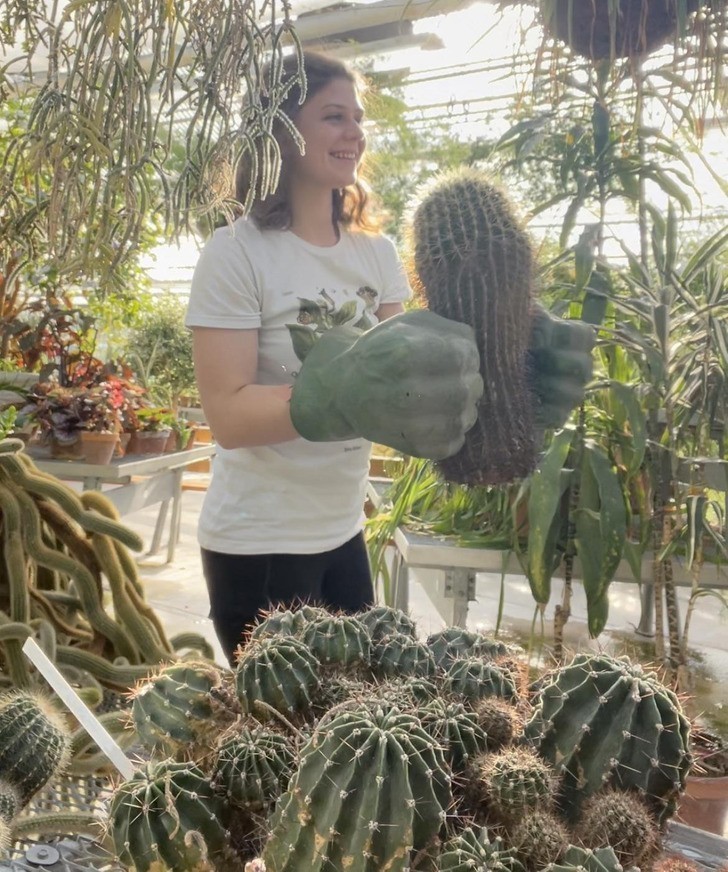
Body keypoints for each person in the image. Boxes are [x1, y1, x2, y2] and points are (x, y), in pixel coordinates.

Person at [185, 51, 592, 665]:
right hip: (258, 544)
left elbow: (416, 384)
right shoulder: (236, 253)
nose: (354, 133)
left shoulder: (374, 254)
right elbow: (230, 417)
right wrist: (341, 390)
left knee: (354, 740)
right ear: (281, 132)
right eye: (332, 116)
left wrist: (518, 347)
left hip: (345, 533)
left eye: (357, 117)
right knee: (287, 744)